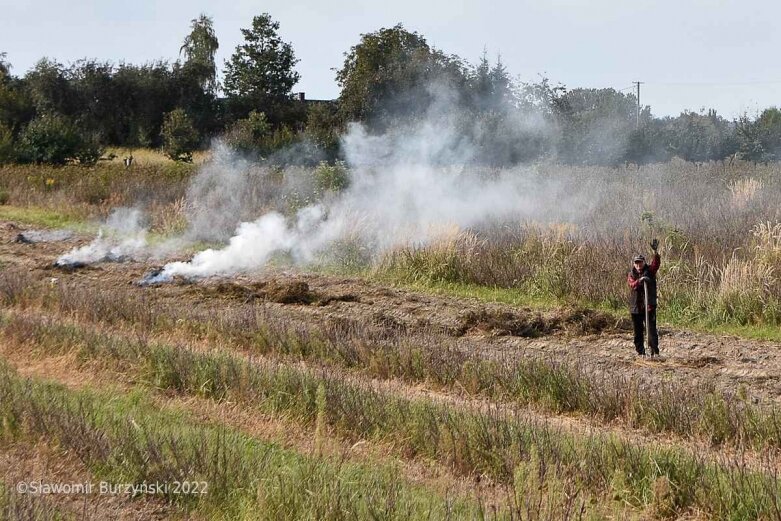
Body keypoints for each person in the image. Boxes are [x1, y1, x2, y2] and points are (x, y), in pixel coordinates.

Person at [627, 239, 661, 356]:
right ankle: (640, 352)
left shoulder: (649, 271)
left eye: (640, 262)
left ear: (644, 262)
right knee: (638, 332)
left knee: (651, 331)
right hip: (636, 308)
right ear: (634, 264)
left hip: (649, 307)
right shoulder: (632, 274)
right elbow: (632, 284)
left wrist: (655, 253)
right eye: (636, 263)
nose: (638, 265)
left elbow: (656, 264)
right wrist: (640, 281)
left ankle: (654, 352)